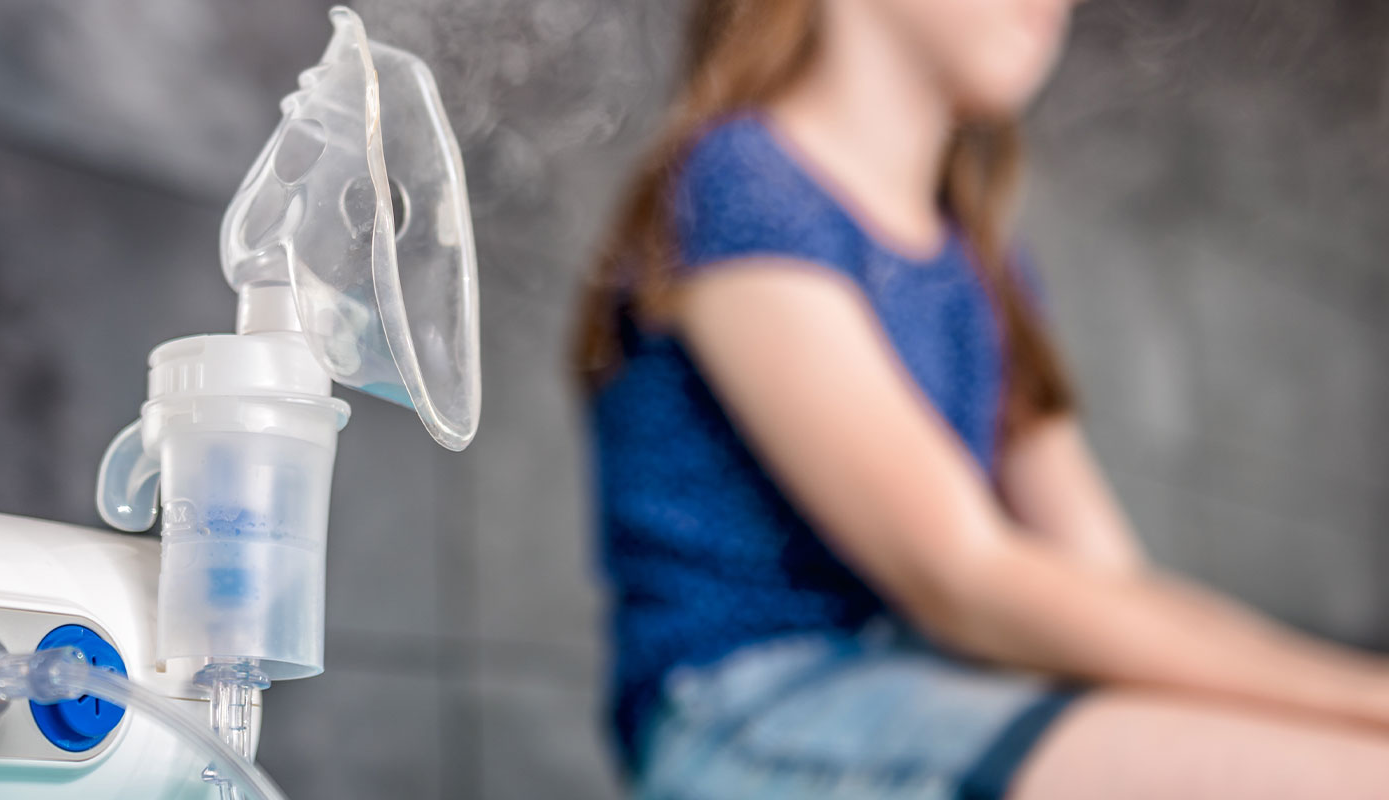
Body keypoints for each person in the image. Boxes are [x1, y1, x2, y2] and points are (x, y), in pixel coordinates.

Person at [575, 0, 1389, 797]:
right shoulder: (740, 180)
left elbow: (1104, 579)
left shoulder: (985, 266)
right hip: (750, 712)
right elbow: (962, 575)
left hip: (928, 691)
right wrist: (1361, 698)